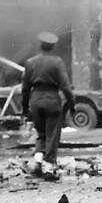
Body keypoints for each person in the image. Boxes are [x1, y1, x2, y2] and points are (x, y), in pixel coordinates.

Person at [20, 31, 74, 180]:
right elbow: (65, 86)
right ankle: (49, 167)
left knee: (41, 134)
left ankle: (37, 162)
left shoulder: (30, 63)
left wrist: (25, 108)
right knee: (52, 134)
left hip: (35, 100)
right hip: (52, 100)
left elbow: (24, 89)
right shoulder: (57, 62)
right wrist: (71, 102)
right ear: (53, 47)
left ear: (40, 45)